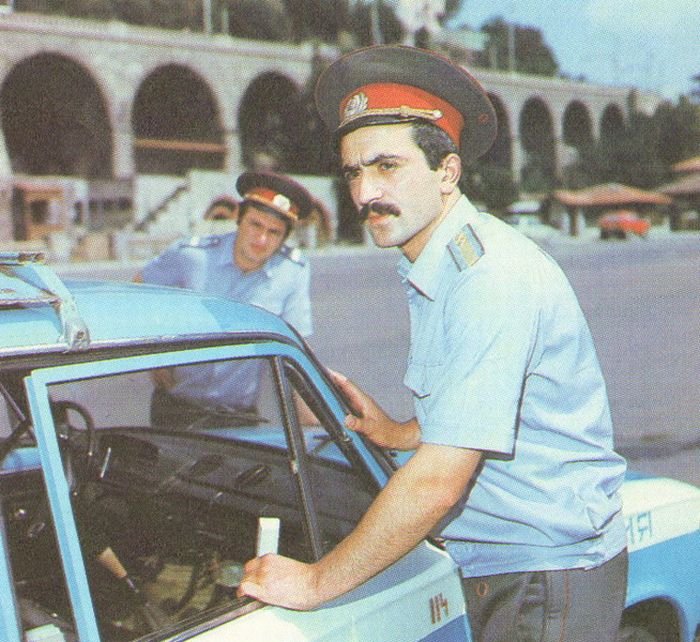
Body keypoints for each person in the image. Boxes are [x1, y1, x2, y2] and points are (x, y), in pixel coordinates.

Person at [238, 45, 628, 642]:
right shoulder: (444, 263)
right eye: (354, 172)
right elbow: (489, 405)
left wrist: (315, 582)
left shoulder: (487, 278)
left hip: (544, 573)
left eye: (386, 167)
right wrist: (401, 433)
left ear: (447, 172)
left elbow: (437, 482)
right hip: (516, 563)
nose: (364, 193)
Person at [135, 171, 314, 427]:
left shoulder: (292, 273)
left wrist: (311, 422)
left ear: (284, 239)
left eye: (274, 232)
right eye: (255, 225)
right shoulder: (193, 256)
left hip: (237, 416)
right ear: (239, 219)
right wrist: (153, 354)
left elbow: (297, 350)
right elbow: (139, 287)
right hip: (177, 409)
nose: (262, 239)